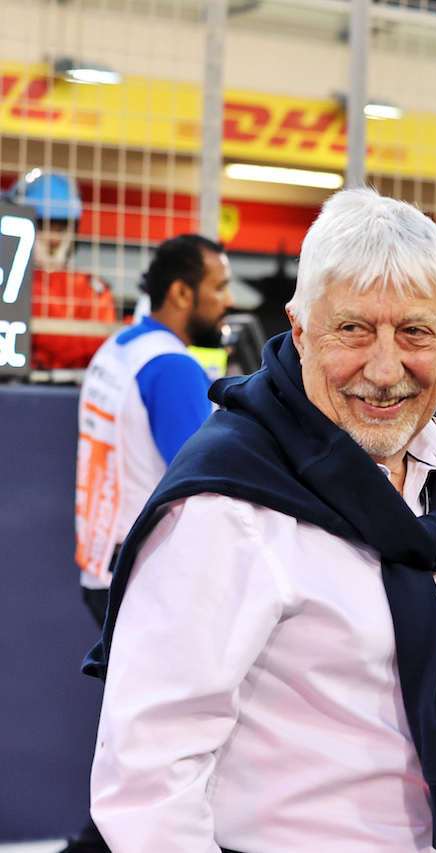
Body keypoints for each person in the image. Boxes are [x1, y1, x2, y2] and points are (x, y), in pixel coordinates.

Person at [84, 188, 436, 852]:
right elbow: (148, 782)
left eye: (415, 331)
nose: (386, 368)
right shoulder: (227, 511)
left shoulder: (430, 466)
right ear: (300, 329)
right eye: (354, 328)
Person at [65, 233, 232, 853]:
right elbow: (212, 477)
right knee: (159, 760)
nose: (228, 302)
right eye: (218, 288)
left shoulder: (118, 350)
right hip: (145, 584)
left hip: (102, 572)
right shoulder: (172, 369)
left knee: (143, 753)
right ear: (181, 291)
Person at [3, 169, 119, 370]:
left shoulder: (91, 287)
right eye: (43, 225)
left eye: (60, 227)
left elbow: (103, 349)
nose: (52, 237)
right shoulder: (9, 281)